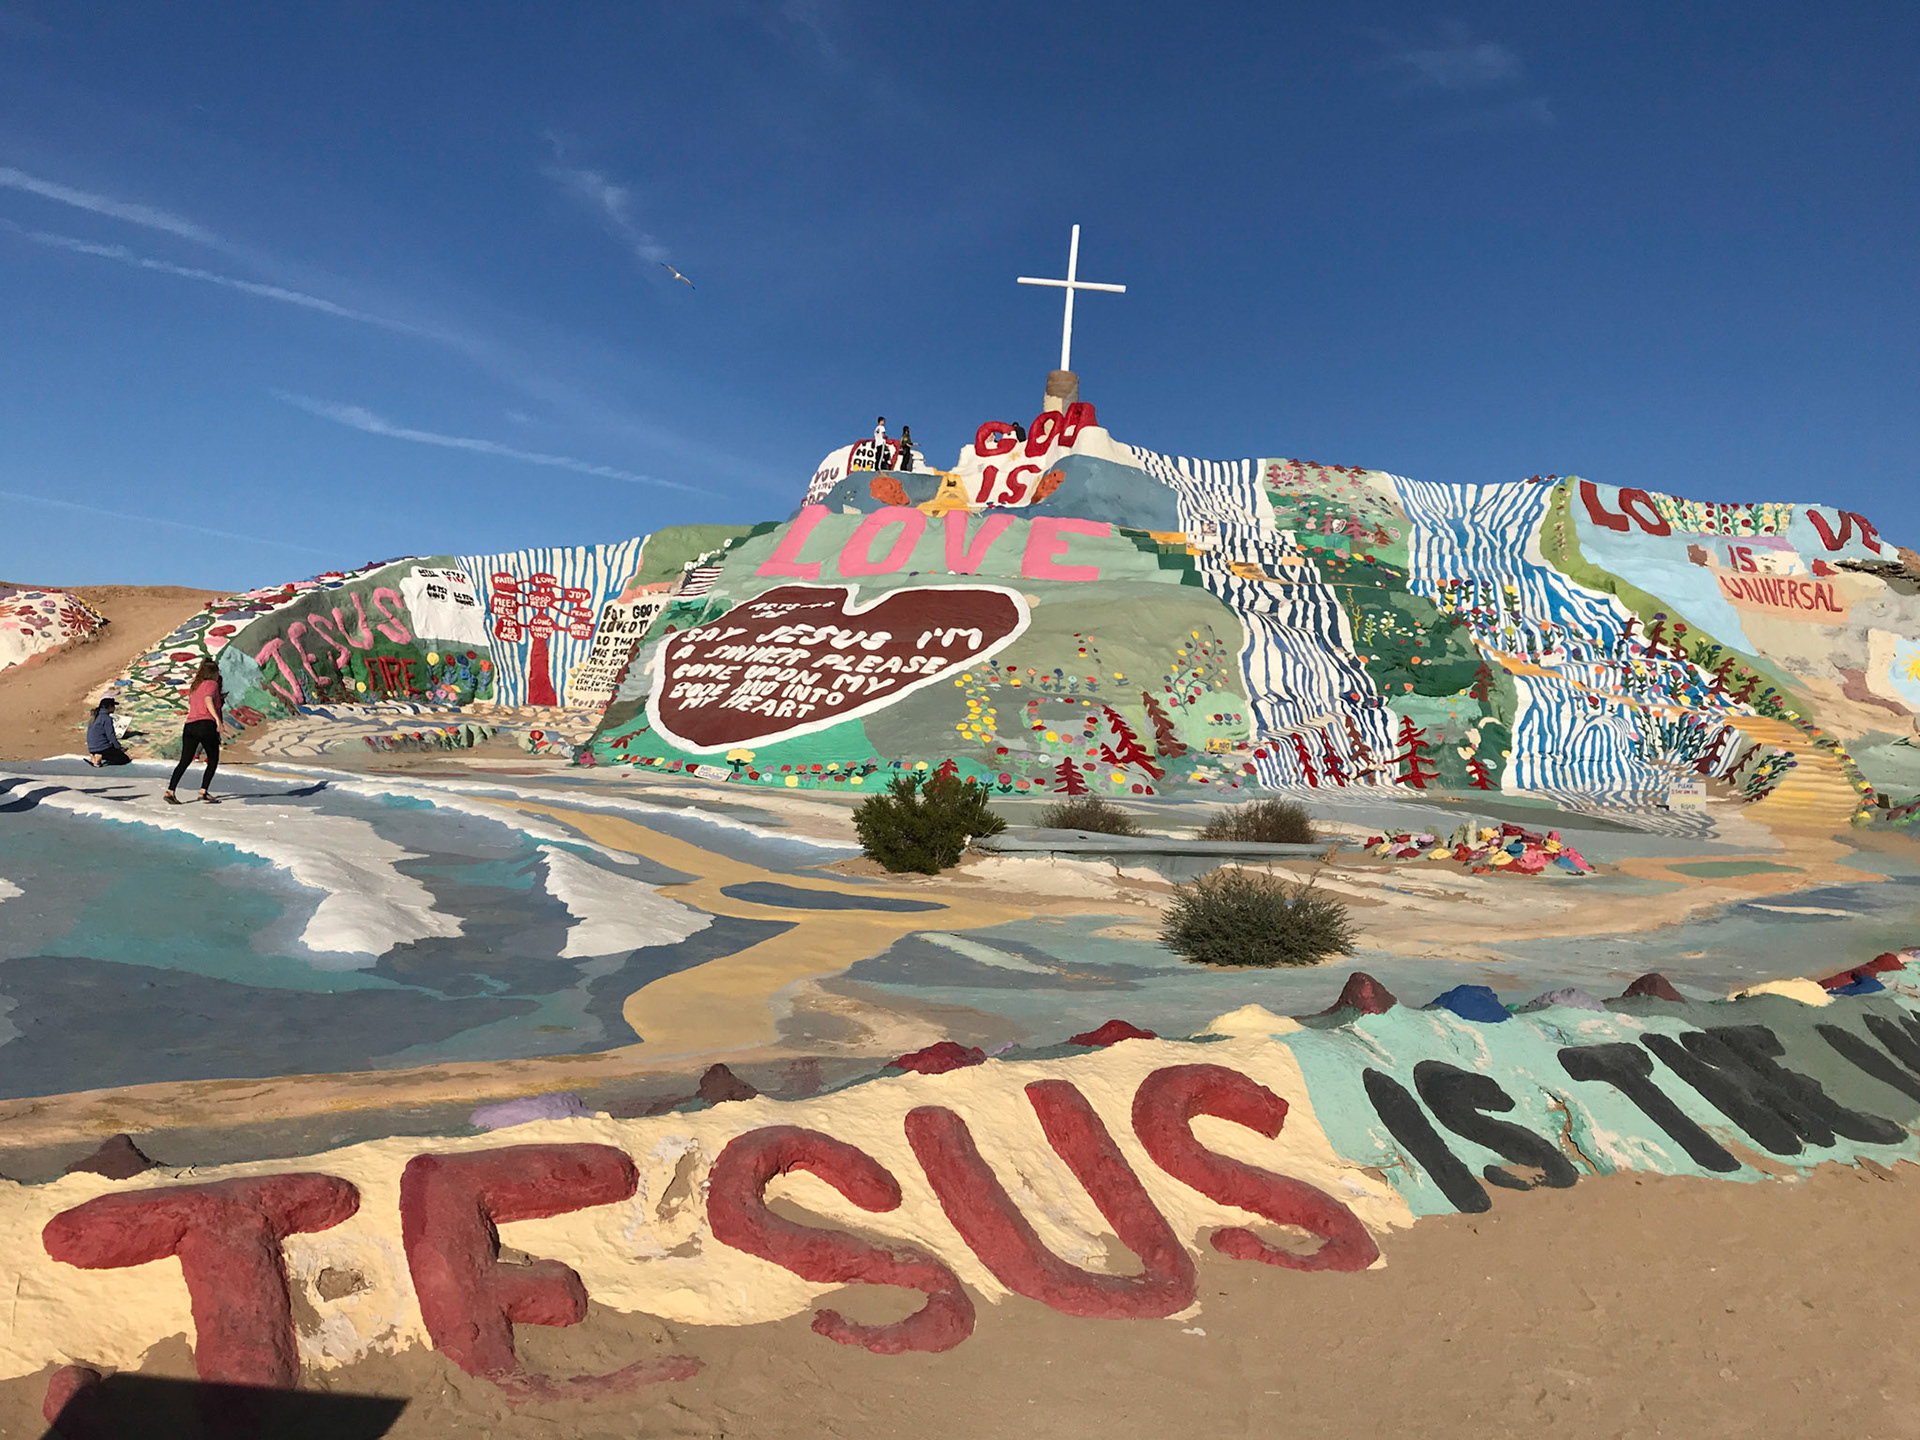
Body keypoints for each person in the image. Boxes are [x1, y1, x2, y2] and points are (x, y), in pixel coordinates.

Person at [165, 657, 224, 805]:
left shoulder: (195, 686)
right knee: (213, 759)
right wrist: (217, 720)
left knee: (185, 760)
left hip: (190, 725)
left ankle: (170, 791)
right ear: (213, 673)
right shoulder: (211, 684)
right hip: (205, 724)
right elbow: (208, 700)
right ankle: (203, 791)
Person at [84, 697, 131, 767]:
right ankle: (99, 756)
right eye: (113, 706)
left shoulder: (95, 716)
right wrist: (119, 747)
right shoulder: (106, 718)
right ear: (109, 707)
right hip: (102, 747)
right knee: (124, 759)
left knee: (114, 752)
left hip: (91, 747)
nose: (114, 708)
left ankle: (94, 755)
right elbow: (111, 735)